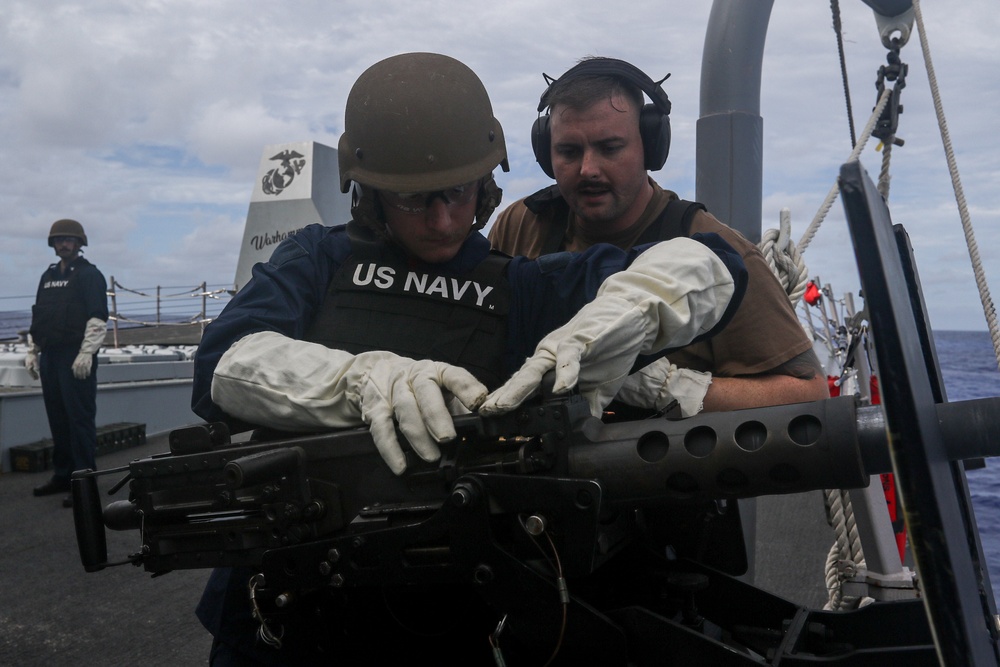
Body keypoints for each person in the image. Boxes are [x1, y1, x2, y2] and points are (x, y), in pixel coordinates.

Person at [191, 52, 746, 666]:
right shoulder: (317, 261)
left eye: (458, 192)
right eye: (414, 201)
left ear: (486, 185)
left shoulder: (524, 289)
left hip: (445, 617)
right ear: (369, 194)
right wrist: (359, 379)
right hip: (285, 611)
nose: (442, 218)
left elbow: (715, 262)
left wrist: (638, 306)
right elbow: (222, 363)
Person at [489, 56, 829, 417]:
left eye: (610, 148)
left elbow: (811, 393)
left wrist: (671, 388)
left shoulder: (719, 255)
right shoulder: (521, 226)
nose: (588, 169)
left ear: (649, 148)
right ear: (546, 153)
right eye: (569, 152)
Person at [25, 219, 108, 509]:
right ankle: (62, 476)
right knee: (58, 420)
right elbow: (39, 317)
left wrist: (87, 353)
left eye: (69, 239)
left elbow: (98, 317)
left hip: (76, 356)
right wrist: (33, 351)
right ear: (53, 244)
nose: (63, 243)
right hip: (51, 356)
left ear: (79, 243)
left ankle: (84, 481)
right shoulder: (47, 276)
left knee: (79, 420)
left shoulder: (90, 275)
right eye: (59, 239)